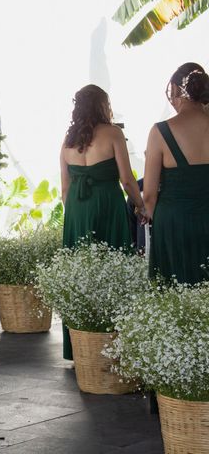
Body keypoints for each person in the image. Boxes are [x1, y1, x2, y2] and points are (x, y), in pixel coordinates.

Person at [60, 84, 144, 360]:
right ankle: (114, 338)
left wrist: (75, 213)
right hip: (106, 203)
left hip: (76, 208)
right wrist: (141, 206)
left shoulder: (67, 140)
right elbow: (127, 179)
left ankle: (81, 346)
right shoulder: (113, 133)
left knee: (79, 271)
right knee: (113, 264)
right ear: (102, 105)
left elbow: (64, 190)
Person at [144, 63, 209, 284]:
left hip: (173, 224)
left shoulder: (160, 131)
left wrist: (163, 224)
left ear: (175, 90)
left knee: (175, 294)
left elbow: (149, 195)